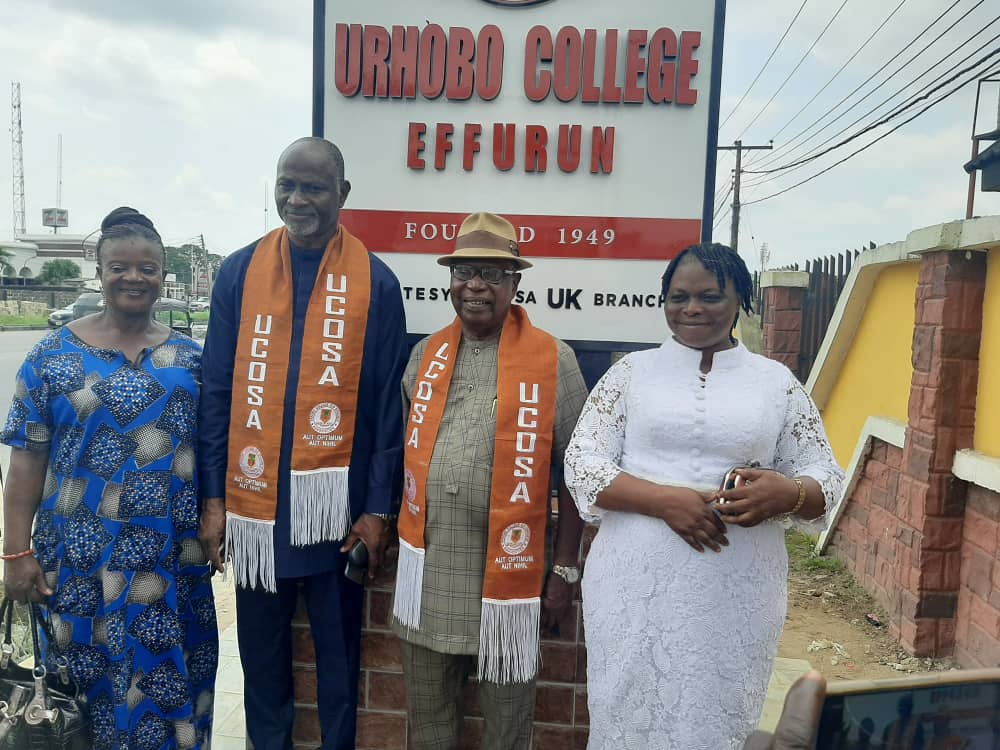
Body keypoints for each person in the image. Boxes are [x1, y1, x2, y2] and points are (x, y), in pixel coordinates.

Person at [564, 242, 845, 749]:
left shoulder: (775, 384)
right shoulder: (630, 374)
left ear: (740, 301)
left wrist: (786, 493)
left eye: (710, 296)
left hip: (735, 590)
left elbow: (825, 476)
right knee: (627, 707)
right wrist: (663, 501)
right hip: (634, 586)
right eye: (679, 297)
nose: (692, 308)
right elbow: (581, 463)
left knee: (717, 715)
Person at [197, 137, 407, 749]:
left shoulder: (377, 283)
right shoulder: (240, 273)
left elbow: (387, 409)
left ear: (342, 194)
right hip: (256, 513)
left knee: (339, 666)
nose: (296, 199)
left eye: (312, 187)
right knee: (262, 666)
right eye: (286, 185)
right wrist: (214, 501)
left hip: (337, 515)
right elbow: (217, 392)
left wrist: (377, 510)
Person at [1, 207, 216, 749]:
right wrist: (15, 552)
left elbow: (215, 455)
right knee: (81, 698)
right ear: (99, 273)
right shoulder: (51, 357)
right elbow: (25, 464)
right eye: (119, 267)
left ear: (163, 275)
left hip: (170, 561)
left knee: (170, 687)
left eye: (147, 268)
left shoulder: (192, 360)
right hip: (79, 562)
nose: (133, 278)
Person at [391, 212, 588, 750]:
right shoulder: (424, 355)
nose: (476, 285)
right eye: (465, 272)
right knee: (428, 729)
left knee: (508, 732)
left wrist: (564, 569)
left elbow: (577, 472)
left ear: (514, 284)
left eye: (493, 274)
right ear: (450, 280)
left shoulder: (554, 359)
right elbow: (402, 457)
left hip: (510, 583)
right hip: (429, 579)